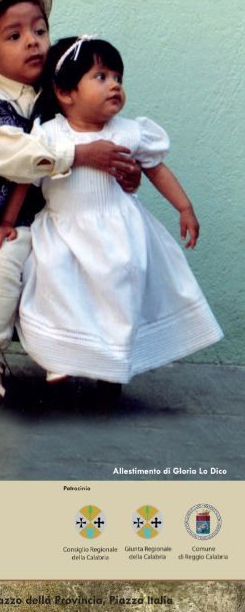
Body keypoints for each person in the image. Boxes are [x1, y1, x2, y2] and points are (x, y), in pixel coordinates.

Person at [0, 0, 140, 413]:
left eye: (40, 31)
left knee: (5, 270)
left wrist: (122, 170)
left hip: (18, 214)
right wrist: (79, 154)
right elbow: (17, 155)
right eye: (15, 36)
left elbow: (91, 124)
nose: (33, 43)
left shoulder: (54, 97)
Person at [11, 36, 223, 383]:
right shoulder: (50, 135)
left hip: (120, 231)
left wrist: (184, 207)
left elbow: (156, 169)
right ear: (66, 93)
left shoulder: (130, 132)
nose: (114, 86)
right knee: (57, 282)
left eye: (118, 78)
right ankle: (63, 356)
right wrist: (7, 220)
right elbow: (25, 176)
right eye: (101, 77)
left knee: (118, 292)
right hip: (65, 231)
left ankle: (113, 366)